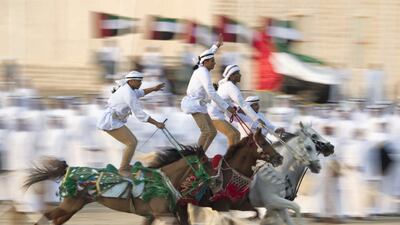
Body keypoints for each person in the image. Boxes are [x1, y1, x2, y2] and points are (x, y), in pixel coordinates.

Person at [97, 71, 165, 177]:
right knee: (131, 143)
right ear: (131, 81)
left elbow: (141, 92)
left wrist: (154, 89)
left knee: (132, 142)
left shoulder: (129, 89)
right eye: (138, 81)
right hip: (110, 122)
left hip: (115, 120)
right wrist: (157, 123)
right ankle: (123, 168)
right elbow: (140, 114)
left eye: (141, 81)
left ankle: (125, 165)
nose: (140, 84)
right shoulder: (128, 93)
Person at [181, 35, 235, 151]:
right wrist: (227, 108)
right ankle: (196, 156)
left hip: (200, 105)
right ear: (205, 62)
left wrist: (217, 45)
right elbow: (211, 93)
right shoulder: (203, 71)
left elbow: (208, 53)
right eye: (212, 61)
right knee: (206, 132)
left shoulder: (202, 67)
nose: (215, 64)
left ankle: (200, 155)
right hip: (194, 104)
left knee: (212, 132)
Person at [208, 65, 264, 146]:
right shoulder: (230, 87)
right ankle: (230, 157)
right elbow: (244, 105)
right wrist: (257, 119)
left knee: (237, 134)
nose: (240, 75)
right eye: (237, 73)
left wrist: (237, 109)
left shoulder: (227, 85)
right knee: (233, 135)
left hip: (218, 115)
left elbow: (227, 102)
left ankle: (233, 156)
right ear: (231, 76)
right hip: (213, 116)